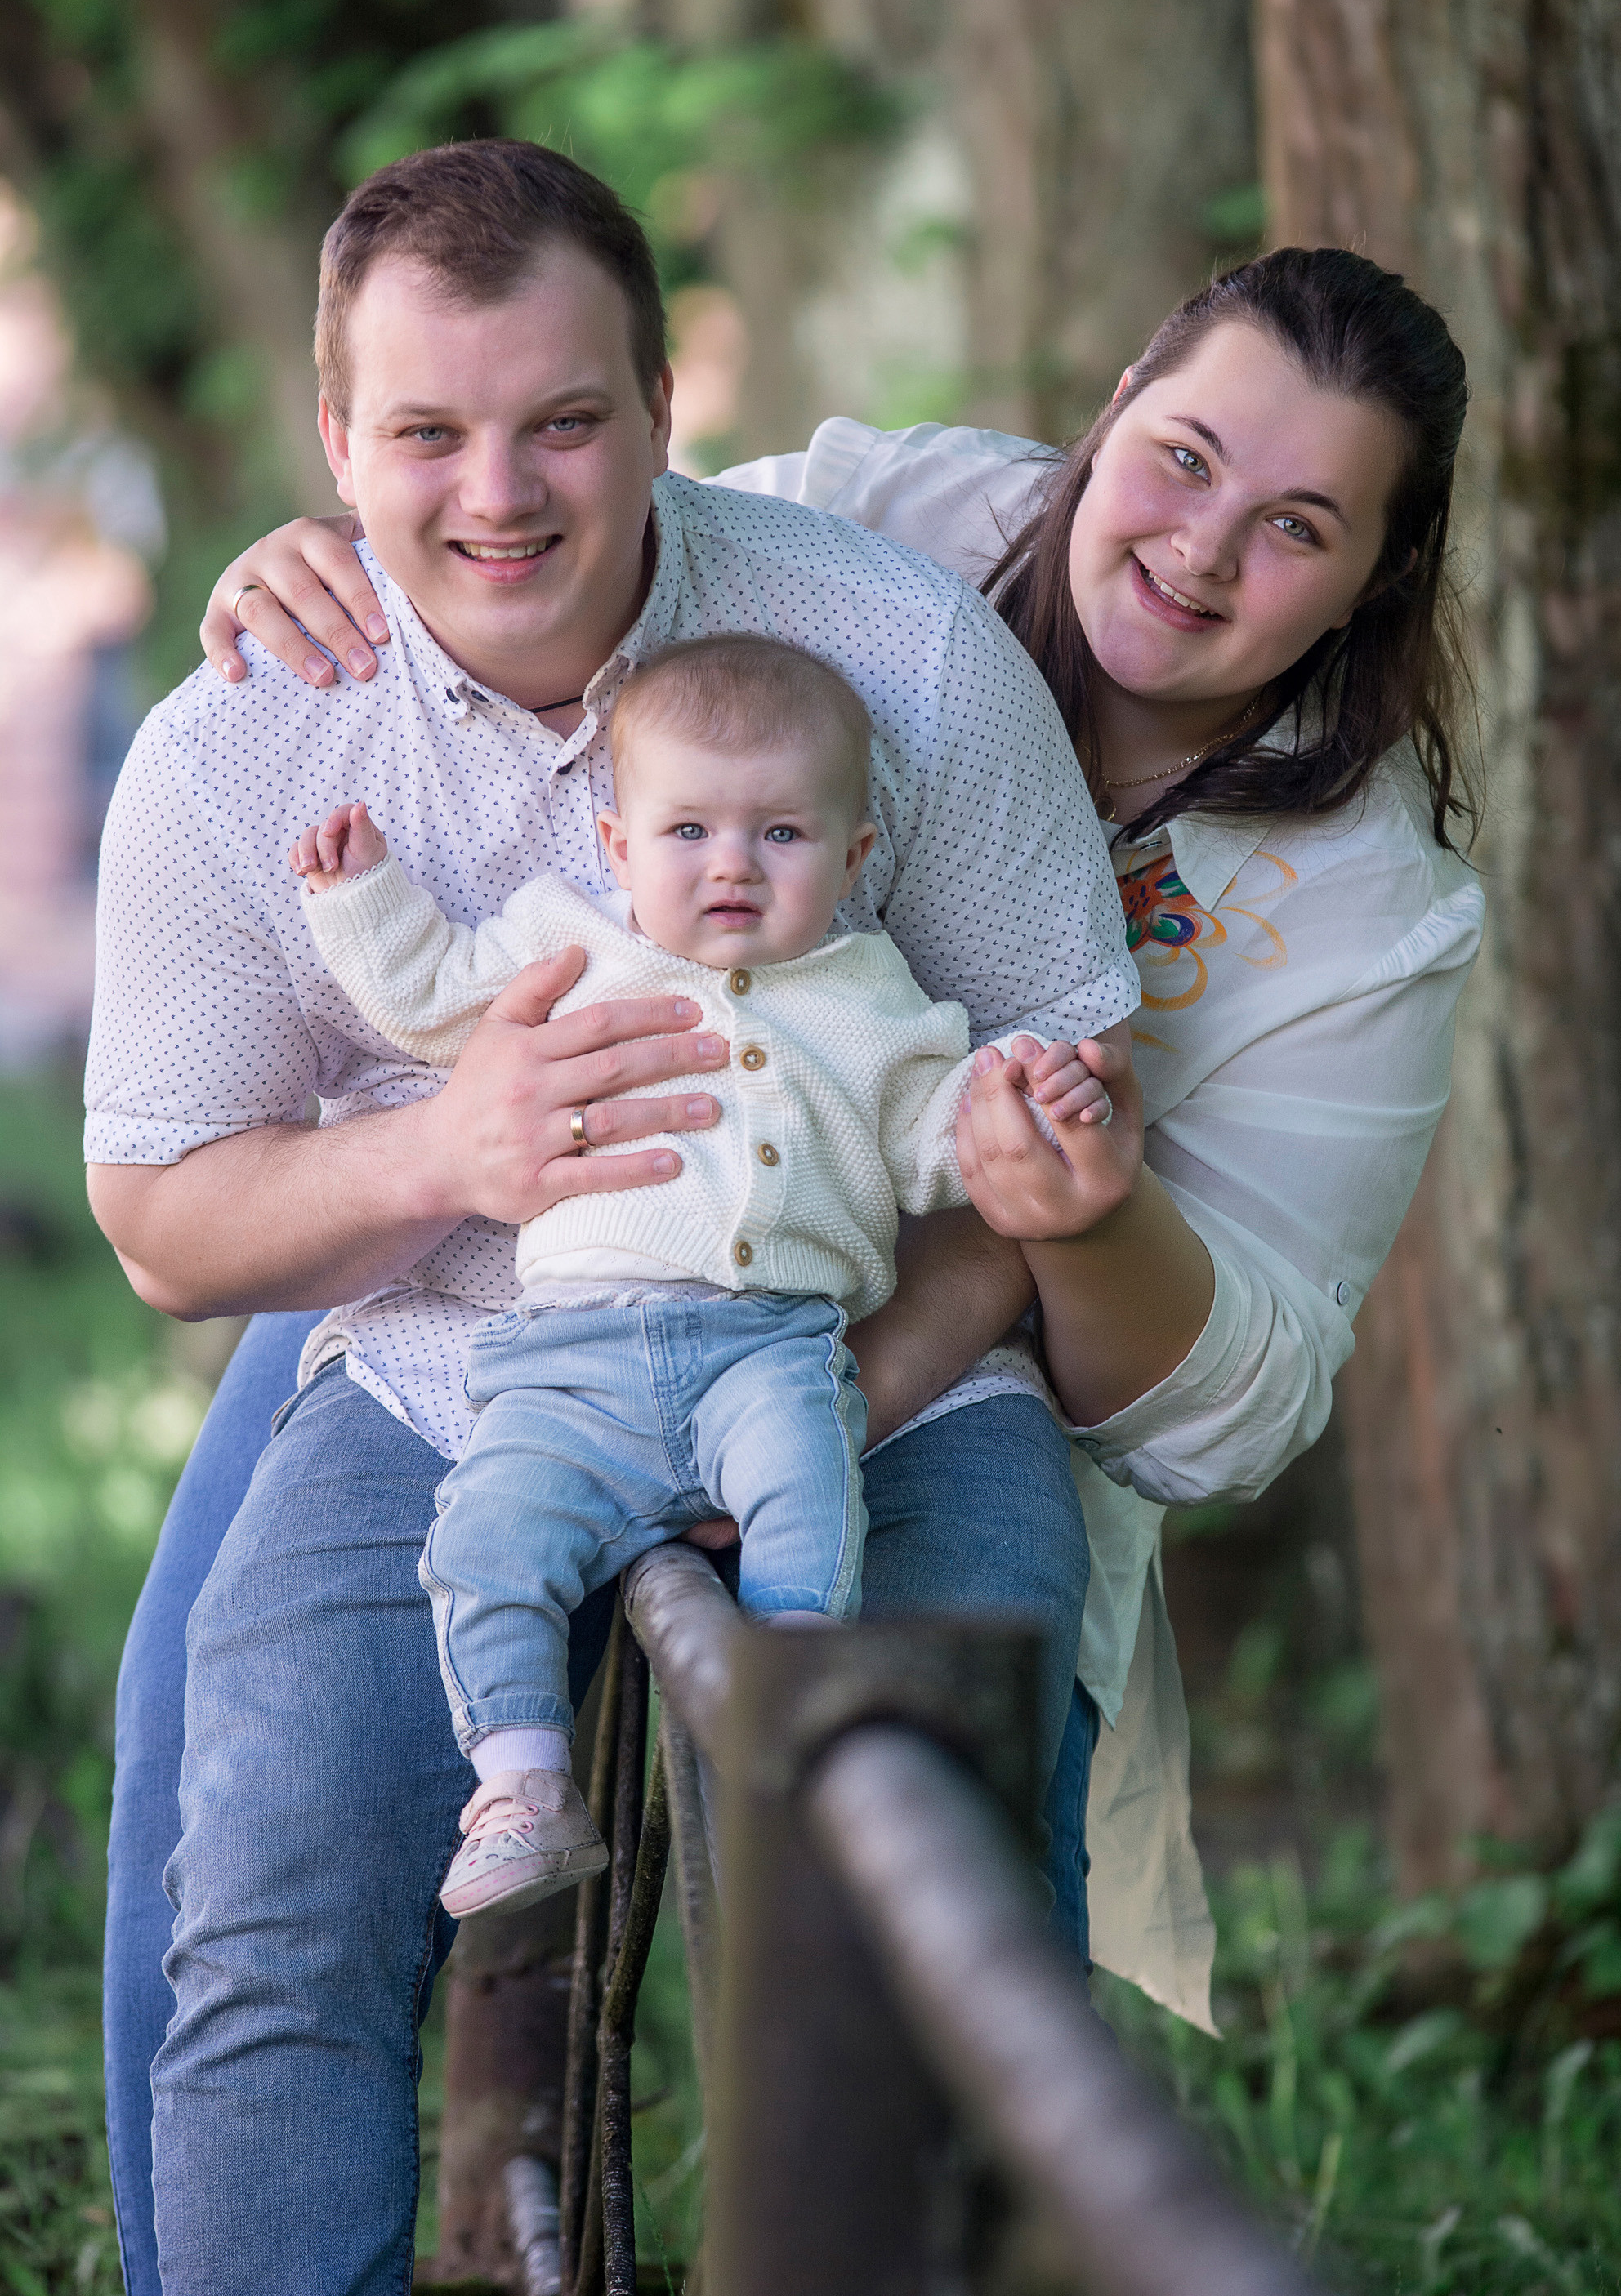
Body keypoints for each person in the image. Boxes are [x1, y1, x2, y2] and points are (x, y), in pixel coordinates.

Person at [208, 238, 1486, 2038]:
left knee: (915, 1873)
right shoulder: (880, 518)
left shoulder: (1368, 910)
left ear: (1371, 581)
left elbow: (1240, 1414)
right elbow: (540, 569)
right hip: (513, 1246)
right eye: (1183, 457)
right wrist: (343, 566)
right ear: (1111, 408)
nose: (1201, 545)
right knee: (246, 1747)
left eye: (1298, 526)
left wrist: (1060, 1234)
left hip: (932, 1370)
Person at [91, 139, 1140, 2296]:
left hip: (870, 1370)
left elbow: (1046, 1120)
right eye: (425, 435)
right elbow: (164, 1231)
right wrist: (441, 1159)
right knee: (270, 1911)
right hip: (446, 1367)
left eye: (564, 418)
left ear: (667, 406)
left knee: (931, 1900)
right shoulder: (242, 747)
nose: (500, 495)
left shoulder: (897, 663)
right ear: (333, 440)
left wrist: (852, 1387)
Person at [289, 634, 1114, 1918]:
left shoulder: (873, 997)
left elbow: (939, 1140)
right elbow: (435, 994)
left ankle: (791, 1699)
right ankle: (518, 1783)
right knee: (486, 1538)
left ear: (854, 859)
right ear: (619, 849)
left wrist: (1019, 1102)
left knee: (809, 1477)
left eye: (781, 835)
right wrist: (364, 897)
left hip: (771, 1347)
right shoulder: (567, 945)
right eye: (688, 832)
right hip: (567, 1362)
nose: (731, 863)